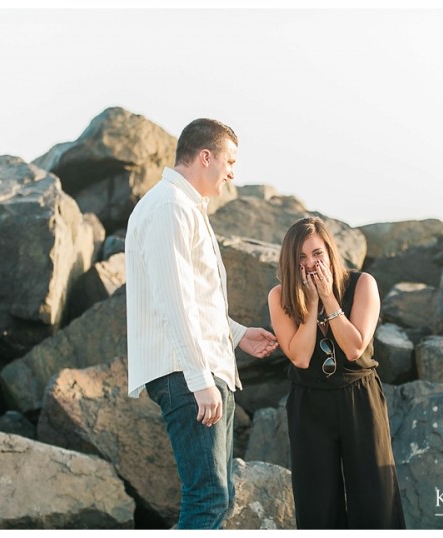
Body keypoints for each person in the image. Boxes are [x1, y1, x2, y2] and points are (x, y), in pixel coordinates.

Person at [125, 118, 279, 529]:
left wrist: (239, 334)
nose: (232, 172)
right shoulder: (170, 207)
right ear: (205, 156)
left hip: (202, 368)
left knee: (217, 496)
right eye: (229, 161)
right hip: (187, 373)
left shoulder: (184, 207)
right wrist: (199, 378)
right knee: (208, 498)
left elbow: (193, 298)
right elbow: (172, 301)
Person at [267, 216, 406, 529]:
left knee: (375, 498)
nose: (311, 264)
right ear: (291, 262)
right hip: (310, 404)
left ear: (330, 252)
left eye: (317, 254)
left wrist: (328, 297)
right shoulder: (280, 297)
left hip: (359, 398)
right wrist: (312, 303)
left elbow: (354, 347)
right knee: (318, 505)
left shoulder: (362, 284)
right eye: (301, 258)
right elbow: (300, 357)